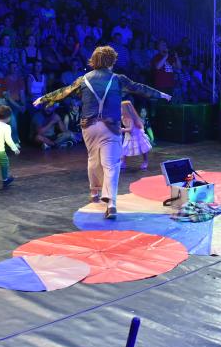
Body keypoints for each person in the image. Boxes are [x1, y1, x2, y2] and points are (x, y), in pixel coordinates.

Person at [34, 46, 171, 220]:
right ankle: (111, 204)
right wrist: (161, 94)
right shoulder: (118, 79)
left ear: (94, 61)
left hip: (89, 126)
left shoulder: (84, 79)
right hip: (110, 126)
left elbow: (65, 91)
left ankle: (94, 192)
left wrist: (43, 98)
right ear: (112, 61)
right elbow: (140, 88)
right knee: (111, 164)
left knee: (93, 159)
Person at [120, 101, 152, 171]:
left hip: (136, 134)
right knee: (124, 148)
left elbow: (130, 129)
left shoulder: (130, 118)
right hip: (129, 135)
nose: (120, 109)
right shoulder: (122, 117)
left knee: (143, 148)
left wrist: (122, 129)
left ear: (125, 109)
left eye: (121, 108)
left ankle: (145, 161)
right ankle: (123, 162)